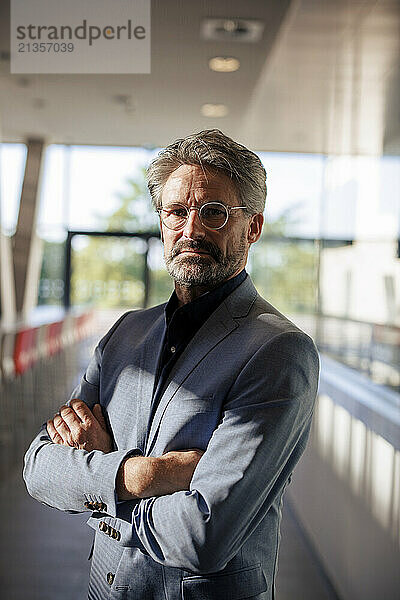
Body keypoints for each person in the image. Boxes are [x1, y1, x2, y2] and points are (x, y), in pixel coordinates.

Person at [24, 129, 319, 600]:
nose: (191, 230)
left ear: (253, 227)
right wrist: (146, 475)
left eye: (213, 213)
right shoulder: (125, 334)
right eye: (176, 212)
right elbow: (38, 466)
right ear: (161, 221)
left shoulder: (279, 352)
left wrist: (95, 478)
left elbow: (202, 537)